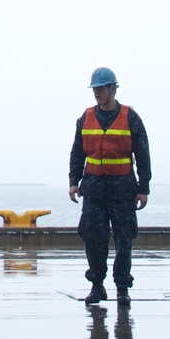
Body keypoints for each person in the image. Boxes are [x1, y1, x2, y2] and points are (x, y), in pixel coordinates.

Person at [68, 67, 151, 307]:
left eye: (101, 89)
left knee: (124, 240)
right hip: (93, 189)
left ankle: (122, 288)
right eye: (94, 89)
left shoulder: (130, 117)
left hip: (123, 189)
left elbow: (143, 153)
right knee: (93, 239)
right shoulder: (85, 118)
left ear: (113, 89)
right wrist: (74, 182)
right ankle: (97, 286)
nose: (97, 93)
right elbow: (77, 152)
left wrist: (143, 187)